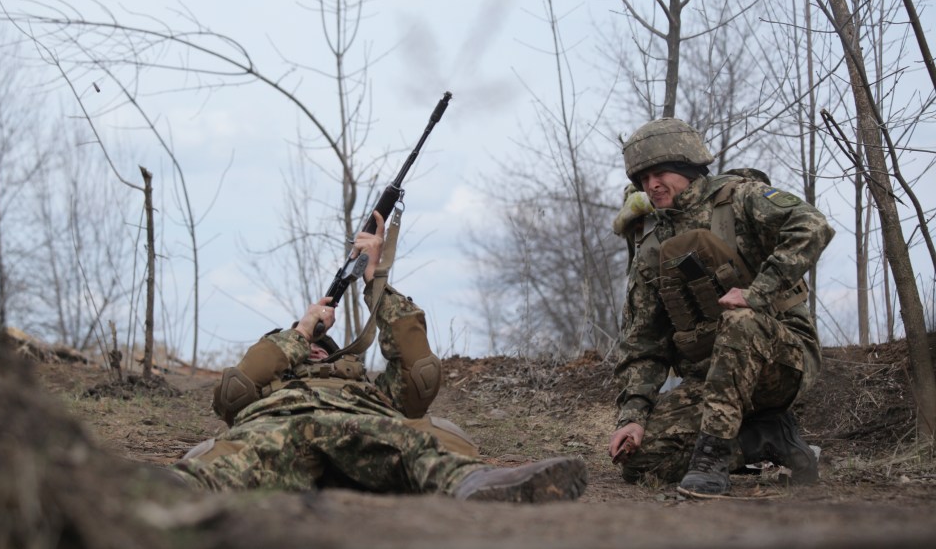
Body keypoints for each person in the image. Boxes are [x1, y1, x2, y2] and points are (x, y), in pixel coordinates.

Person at [172, 210, 587, 503]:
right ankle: (147, 494)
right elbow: (233, 392)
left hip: (368, 426)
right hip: (278, 428)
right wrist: (299, 331)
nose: (315, 345)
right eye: (303, 346)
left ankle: (483, 487)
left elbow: (419, 370)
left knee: (417, 447)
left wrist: (376, 282)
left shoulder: (370, 392)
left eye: (320, 344)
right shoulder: (269, 389)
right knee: (233, 461)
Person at [607, 118, 835, 497]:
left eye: (660, 172)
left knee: (740, 321)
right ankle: (763, 438)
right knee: (641, 462)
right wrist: (633, 416)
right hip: (712, 382)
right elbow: (643, 342)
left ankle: (712, 458)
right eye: (643, 178)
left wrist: (758, 292)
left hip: (779, 361)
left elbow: (812, 225)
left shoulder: (740, 198)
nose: (652, 185)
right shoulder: (652, 244)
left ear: (687, 166)